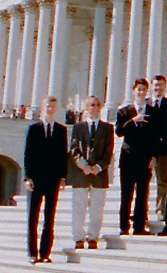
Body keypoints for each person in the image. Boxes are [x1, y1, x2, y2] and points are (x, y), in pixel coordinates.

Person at [24, 96, 68, 264]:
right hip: (35, 179)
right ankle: (32, 253)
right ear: (43, 108)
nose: (50, 109)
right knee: (33, 218)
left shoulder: (61, 130)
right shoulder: (33, 129)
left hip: (53, 179)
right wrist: (27, 177)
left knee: (49, 218)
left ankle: (45, 253)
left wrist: (63, 177)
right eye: (48, 106)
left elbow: (63, 155)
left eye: (53, 107)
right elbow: (27, 154)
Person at [69, 95, 113, 251]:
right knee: (79, 207)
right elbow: (74, 149)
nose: (94, 108)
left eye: (97, 105)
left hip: (99, 175)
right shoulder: (78, 127)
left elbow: (109, 151)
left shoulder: (107, 128)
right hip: (81, 174)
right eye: (91, 105)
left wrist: (99, 167)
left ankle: (93, 237)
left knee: (97, 209)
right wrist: (83, 166)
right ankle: (79, 238)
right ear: (86, 108)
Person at [116, 79, 156, 236]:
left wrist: (153, 157)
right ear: (133, 91)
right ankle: (123, 226)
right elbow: (119, 131)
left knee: (142, 194)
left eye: (144, 90)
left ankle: (139, 226)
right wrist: (133, 121)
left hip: (144, 158)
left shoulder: (152, 111)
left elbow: (155, 135)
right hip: (128, 158)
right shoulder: (124, 112)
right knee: (126, 194)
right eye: (138, 89)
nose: (141, 92)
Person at [149, 75, 167, 217]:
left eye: (161, 85)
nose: (158, 88)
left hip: (163, 147)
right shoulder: (146, 104)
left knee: (163, 180)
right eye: (156, 85)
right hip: (147, 148)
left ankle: (160, 208)